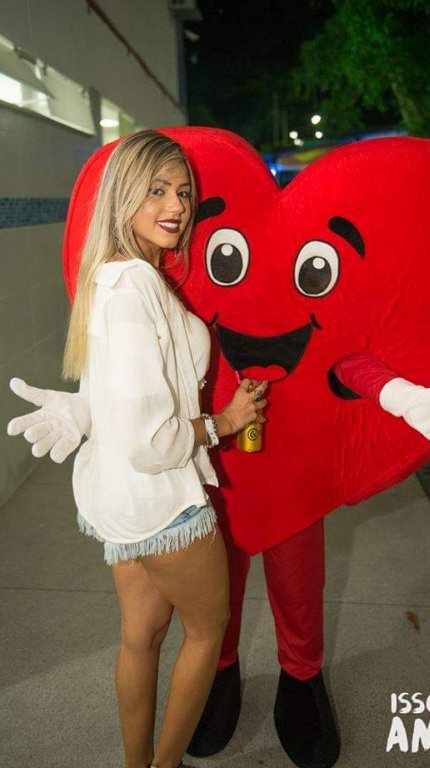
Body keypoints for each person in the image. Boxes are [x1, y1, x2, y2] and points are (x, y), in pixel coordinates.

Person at [7, 129, 268, 768]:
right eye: (156, 190)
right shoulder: (134, 287)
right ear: (124, 196)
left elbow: (121, 393)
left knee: (140, 637)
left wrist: (83, 409)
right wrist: (226, 421)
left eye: (182, 191)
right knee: (206, 632)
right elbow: (154, 442)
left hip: (119, 501)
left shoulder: (116, 278)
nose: (175, 205)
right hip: (161, 501)